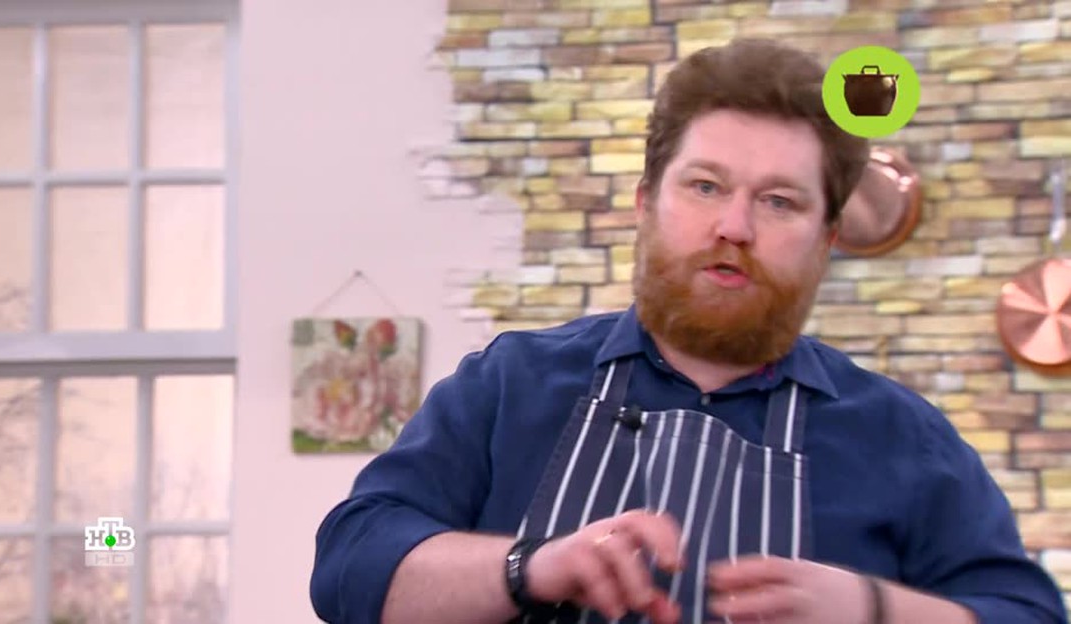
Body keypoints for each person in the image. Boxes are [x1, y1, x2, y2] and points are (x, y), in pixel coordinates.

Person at [309, 37, 1069, 624]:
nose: (734, 225)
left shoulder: (904, 439)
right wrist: (528, 566)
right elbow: (350, 570)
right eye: (706, 186)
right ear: (646, 203)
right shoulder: (510, 384)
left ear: (827, 239)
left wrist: (875, 609)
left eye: (779, 201)